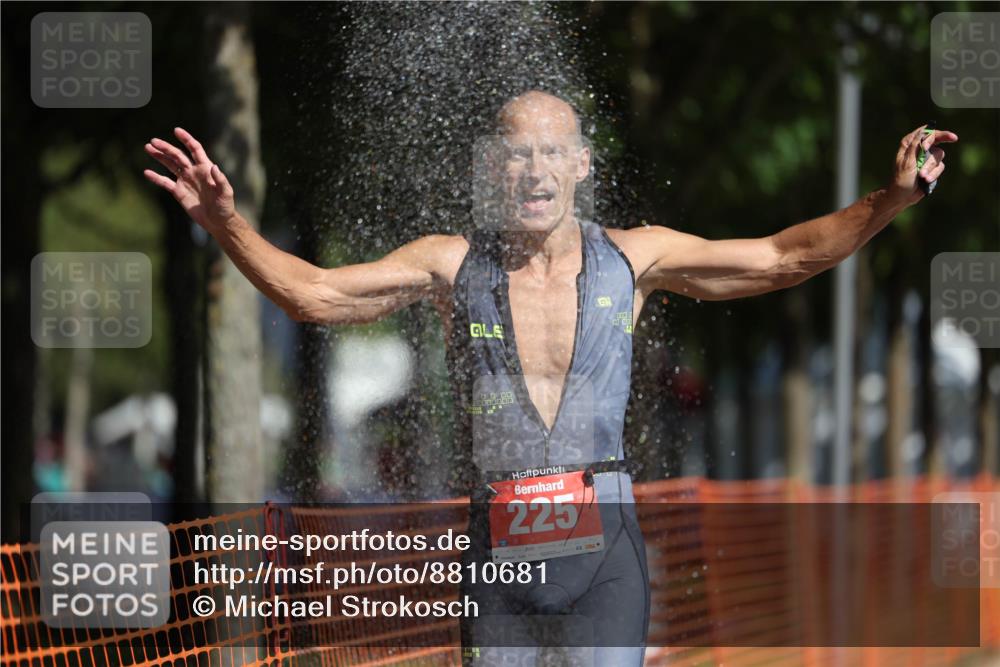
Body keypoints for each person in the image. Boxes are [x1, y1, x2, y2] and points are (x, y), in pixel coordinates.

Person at [144, 90, 956, 666]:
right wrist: (226, 222)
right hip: (498, 558)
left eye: (550, 152)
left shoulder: (636, 257)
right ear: (494, 168)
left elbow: (784, 257)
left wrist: (889, 199)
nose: (534, 169)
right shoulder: (449, 265)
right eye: (516, 153)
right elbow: (313, 295)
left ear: (580, 164)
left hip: (606, 554)